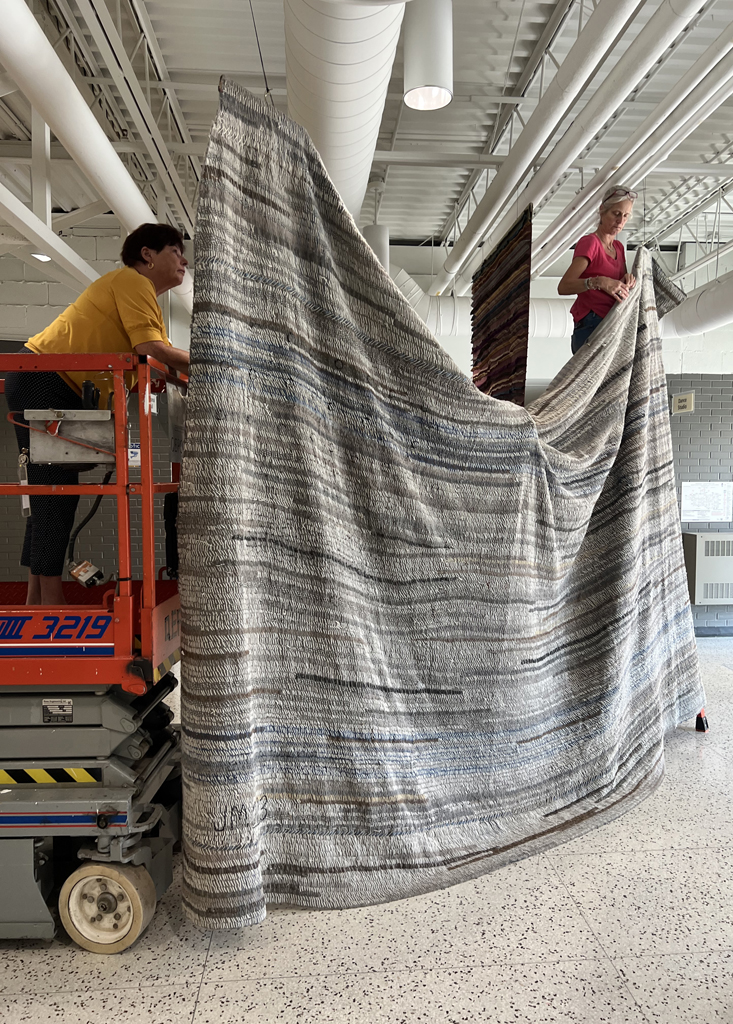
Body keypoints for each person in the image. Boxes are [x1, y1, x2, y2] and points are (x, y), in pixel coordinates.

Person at [4, 222, 190, 606]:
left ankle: (35, 600)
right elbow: (150, 347)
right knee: (54, 495)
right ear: (147, 255)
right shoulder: (132, 282)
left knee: (48, 496)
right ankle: (50, 606)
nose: (184, 260)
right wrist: (221, 363)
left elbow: (165, 361)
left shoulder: (144, 299)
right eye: (175, 250)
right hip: (47, 377)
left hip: (51, 381)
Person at [557, 185, 638, 354]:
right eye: (616, 213)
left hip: (614, 322)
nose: (620, 220)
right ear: (602, 210)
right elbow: (564, 286)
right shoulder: (591, 243)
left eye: (625, 216)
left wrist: (628, 280)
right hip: (592, 324)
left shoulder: (619, 247)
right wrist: (598, 282)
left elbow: (619, 285)